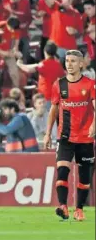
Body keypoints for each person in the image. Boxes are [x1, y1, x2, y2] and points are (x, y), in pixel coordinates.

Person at [43, 50, 95, 221]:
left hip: (85, 137)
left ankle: (79, 209)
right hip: (65, 137)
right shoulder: (59, 85)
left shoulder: (90, 84)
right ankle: (63, 206)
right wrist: (47, 133)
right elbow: (53, 110)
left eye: (73, 61)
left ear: (81, 64)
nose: (69, 64)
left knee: (85, 177)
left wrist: (94, 125)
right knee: (62, 170)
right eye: (67, 61)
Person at [17, 42, 65, 110]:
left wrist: (19, 65)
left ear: (45, 52)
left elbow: (29, 69)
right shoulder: (58, 65)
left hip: (45, 97)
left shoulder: (44, 64)